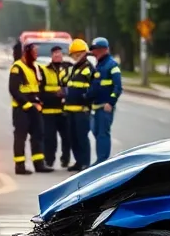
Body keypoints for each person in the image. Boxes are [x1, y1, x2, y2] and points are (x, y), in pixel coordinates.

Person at [10, 40, 51, 175]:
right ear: (26, 52)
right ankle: (20, 166)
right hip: (22, 109)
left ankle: (39, 164)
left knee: (38, 135)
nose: (36, 54)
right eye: (34, 52)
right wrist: (27, 104)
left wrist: (40, 103)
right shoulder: (17, 67)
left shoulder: (36, 67)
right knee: (20, 137)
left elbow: (39, 87)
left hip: (35, 108)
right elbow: (14, 90)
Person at [89, 37, 123, 163]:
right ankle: (100, 159)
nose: (93, 52)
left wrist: (111, 102)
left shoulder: (112, 65)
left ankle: (102, 161)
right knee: (96, 132)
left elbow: (118, 87)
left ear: (103, 50)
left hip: (105, 107)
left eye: (95, 49)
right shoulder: (98, 65)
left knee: (103, 134)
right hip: (96, 107)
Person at [64, 38, 94, 171]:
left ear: (84, 54)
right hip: (70, 110)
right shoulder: (74, 69)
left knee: (82, 138)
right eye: (73, 55)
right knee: (73, 138)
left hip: (82, 111)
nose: (75, 57)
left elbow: (93, 90)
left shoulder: (88, 69)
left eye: (77, 54)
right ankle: (78, 161)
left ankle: (85, 163)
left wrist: (86, 102)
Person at [41, 46, 71, 169]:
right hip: (49, 111)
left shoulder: (69, 68)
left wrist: (65, 91)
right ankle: (49, 160)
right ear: (51, 56)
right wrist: (55, 95)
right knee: (49, 139)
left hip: (65, 110)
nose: (57, 55)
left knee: (67, 137)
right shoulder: (44, 70)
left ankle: (65, 159)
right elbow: (41, 91)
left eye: (59, 53)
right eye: (55, 53)